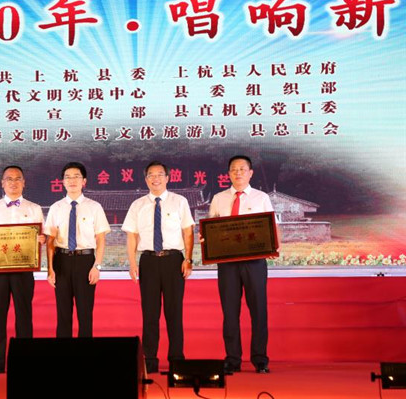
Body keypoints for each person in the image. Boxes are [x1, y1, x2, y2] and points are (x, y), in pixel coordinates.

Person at [122, 161, 194, 374]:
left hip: (174, 260)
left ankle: (177, 360)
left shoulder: (179, 202)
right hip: (149, 261)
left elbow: (188, 232)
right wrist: (132, 263)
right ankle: (150, 360)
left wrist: (189, 259)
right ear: (146, 180)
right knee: (150, 313)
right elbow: (132, 236)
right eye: (151, 175)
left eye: (160, 174)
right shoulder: (137, 205)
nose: (156, 179)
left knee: (174, 312)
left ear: (168, 178)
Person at [208, 155, 275, 374]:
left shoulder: (261, 198)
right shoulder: (218, 198)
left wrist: (272, 245)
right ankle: (232, 359)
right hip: (227, 263)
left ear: (250, 173)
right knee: (230, 312)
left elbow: (270, 226)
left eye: (242, 169)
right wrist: (207, 239)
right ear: (228, 174)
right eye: (234, 170)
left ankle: (260, 359)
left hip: (254, 262)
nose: (238, 173)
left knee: (259, 310)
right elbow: (211, 228)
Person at [0, 165, 45, 375]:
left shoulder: (34, 208)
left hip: (24, 270)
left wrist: (42, 239)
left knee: (24, 315)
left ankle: (25, 362)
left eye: (18, 179)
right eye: (9, 179)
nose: (13, 183)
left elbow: (42, 236)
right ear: (2, 183)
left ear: (24, 183)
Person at [45, 162, 110, 338]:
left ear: (84, 181)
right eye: (68, 177)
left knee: (85, 313)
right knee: (63, 314)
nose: (72, 180)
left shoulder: (94, 207)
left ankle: (84, 353)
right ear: (62, 182)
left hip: (86, 261)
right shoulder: (56, 208)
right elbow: (50, 241)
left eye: (76, 176)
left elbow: (100, 239)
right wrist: (50, 269)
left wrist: (97, 266)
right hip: (61, 261)